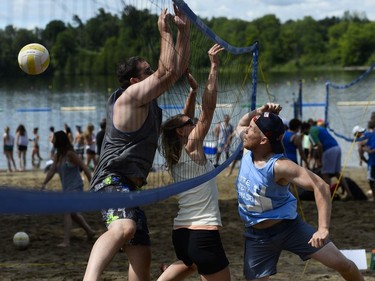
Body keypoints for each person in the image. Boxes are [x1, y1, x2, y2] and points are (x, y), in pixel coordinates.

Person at [83, 6, 190, 281]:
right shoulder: (129, 98)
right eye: (147, 71)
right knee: (124, 229)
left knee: (142, 260)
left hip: (130, 186)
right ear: (134, 81)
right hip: (111, 180)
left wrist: (184, 31)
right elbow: (168, 69)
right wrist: (164, 31)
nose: (154, 72)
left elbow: (175, 70)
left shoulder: (149, 101)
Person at [235, 106, 364, 281]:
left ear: (264, 140)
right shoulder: (247, 147)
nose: (245, 132)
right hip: (257, 236)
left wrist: (323, 229)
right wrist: (259, 110)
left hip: (289, 228)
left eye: (251, 129)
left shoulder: (279, 166)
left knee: (343, 264)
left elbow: (322, 186)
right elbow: (240, 124)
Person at [158, 44, 229, 281]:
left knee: (189, 266)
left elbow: (184, 117)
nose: (195, 121)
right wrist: (214, 67)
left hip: (182, 234)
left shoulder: (175, 151)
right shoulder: (192, 147)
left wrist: (192, 91)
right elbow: (208, 110)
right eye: (190, 122)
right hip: (203, 233)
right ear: (180, 131)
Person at [41, 131, 96, 247]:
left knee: (66, 211)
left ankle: (66, 241)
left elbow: (85, 168)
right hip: (66, 189)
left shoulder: (70, 154)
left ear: (59, 140)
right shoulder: (58, 156)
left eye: (55, 139)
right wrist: (44, 183)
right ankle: (90, 231)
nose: (53, 140)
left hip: (76, 187)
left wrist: (93, 185)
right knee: (73, 213)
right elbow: (52, 170)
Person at [309, 119, 353, 199]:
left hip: (329, 150)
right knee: (337, 173)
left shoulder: (311, 132)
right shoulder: (319, 128)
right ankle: (349, 193)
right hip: (337, 147)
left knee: (325, 174)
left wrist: (321, 159)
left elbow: (319, 146)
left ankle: (327, 197)